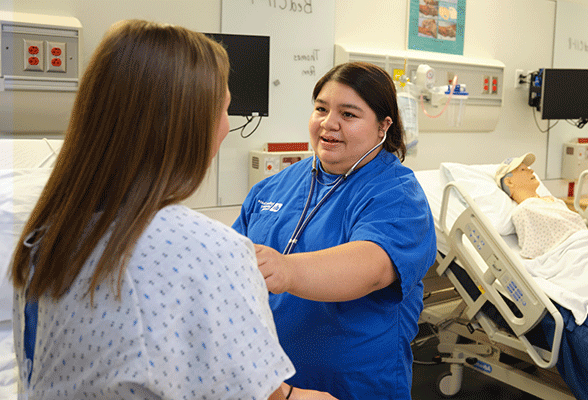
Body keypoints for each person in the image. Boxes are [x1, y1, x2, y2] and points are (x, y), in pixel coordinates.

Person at [9, 19, 335, 400]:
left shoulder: (43, 241)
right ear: (188, 125)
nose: (227, 127)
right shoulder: (209, 252)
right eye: (223, 110)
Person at [233, 62, 437, 400]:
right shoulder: (273, 188)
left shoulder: (397, 195)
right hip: (270, 385)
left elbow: (370, 267)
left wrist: (285, 269)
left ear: (383, 126)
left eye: (349, 114)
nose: (329, 124)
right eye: (321, 109)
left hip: (352, 387)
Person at [495, 153, 588, 400]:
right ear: (509, 182)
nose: (531, 171)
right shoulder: (524, 211)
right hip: (572, 257)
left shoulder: (553, 202)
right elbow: (536, 252)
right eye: (522, 169)